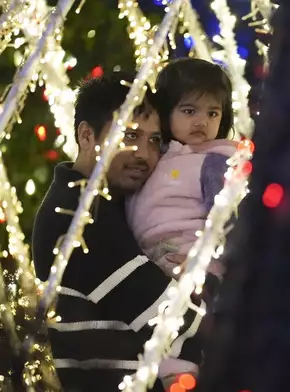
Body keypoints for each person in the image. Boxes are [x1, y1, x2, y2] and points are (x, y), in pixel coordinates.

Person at [32, 72, 207, 392]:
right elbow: (174, 323)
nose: (144, 153)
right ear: (86, 136)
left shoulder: (107, 205)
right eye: (129, 136)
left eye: (154, 140)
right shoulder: (77, 216)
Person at [126, 58, 237, 282]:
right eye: (189, 111)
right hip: (150, 264)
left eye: (212, 113)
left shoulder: (214, 161)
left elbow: (231, 224)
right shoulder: (154, 153)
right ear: (166, 111)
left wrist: (205, 260)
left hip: (198, 269)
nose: (201, 122)